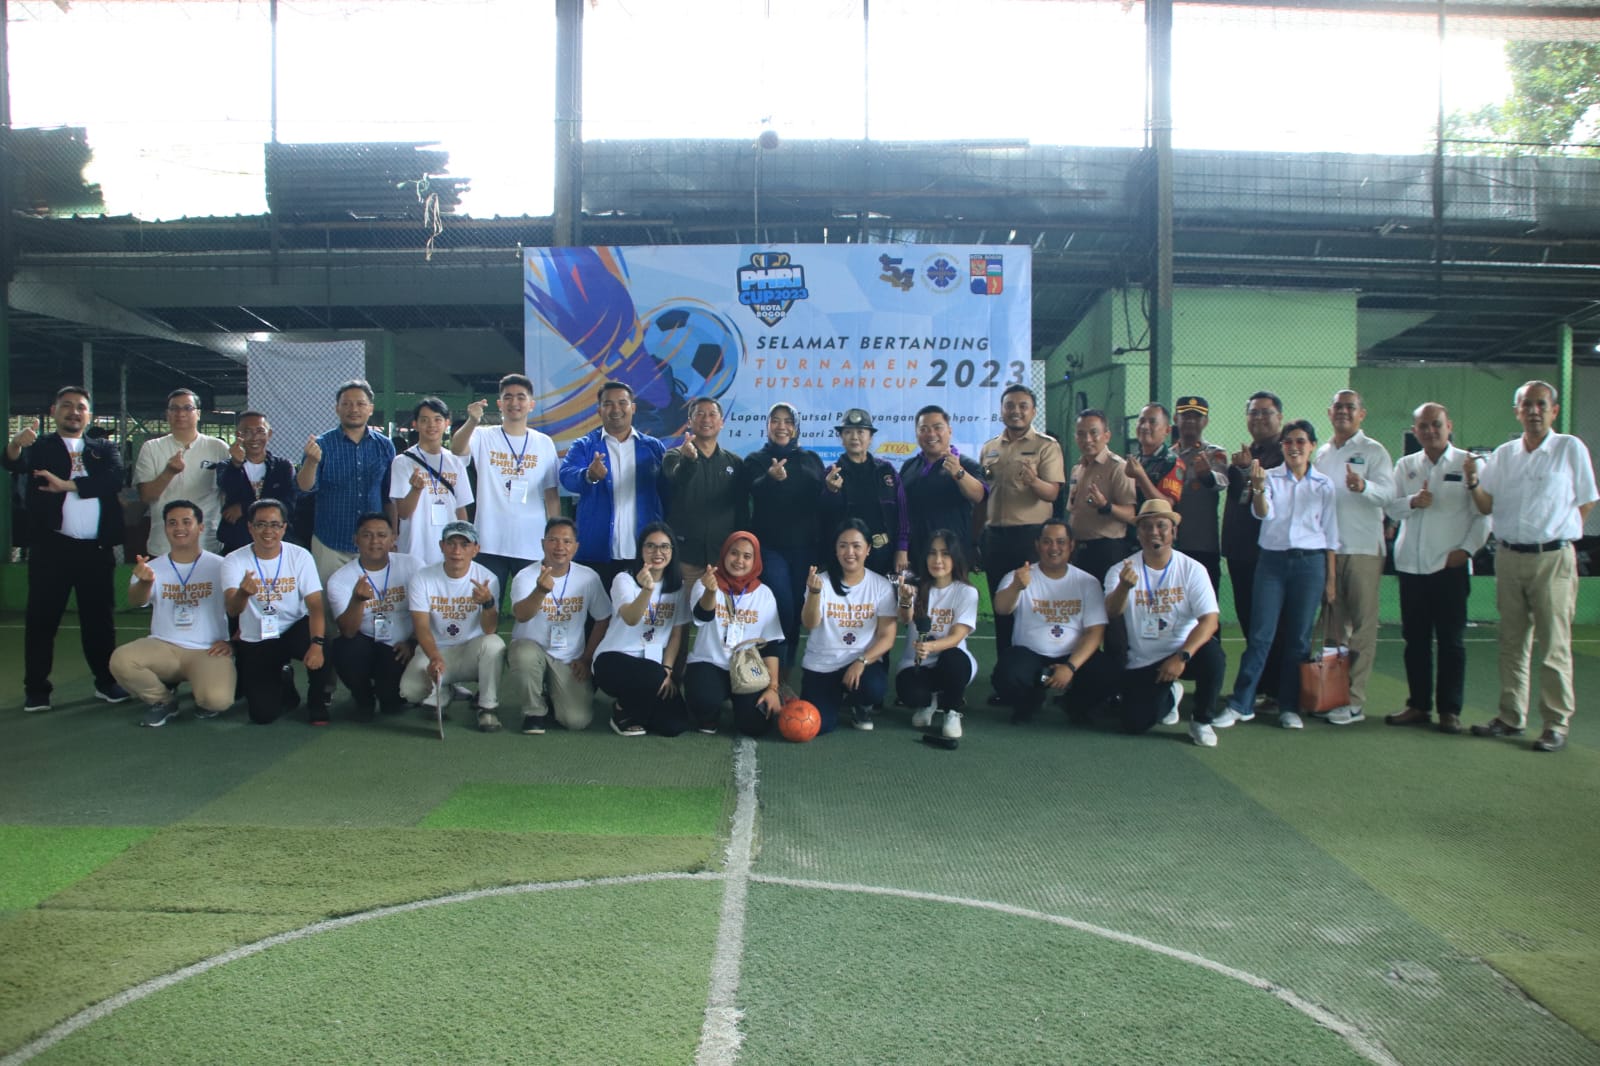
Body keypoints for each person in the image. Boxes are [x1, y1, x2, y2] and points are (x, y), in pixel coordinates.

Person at [1466, 380, 1597, 753]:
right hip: (1509, 558)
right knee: (1511, 643)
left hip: (1553, 559)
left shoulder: (1569, 448)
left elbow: (1587, 500)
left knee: (1554, 645)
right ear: (1517, 411)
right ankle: (1510, 717)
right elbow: (1486, 505)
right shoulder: (1505, 455)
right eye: (1526, 404)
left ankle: (1555, 723)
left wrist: (1560, 534)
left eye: (1541, 404)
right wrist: (1472, 482)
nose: (1533, 411)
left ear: (1554, 411)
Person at [3, 386, 129, 711]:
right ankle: (37, 690)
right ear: (54, 411)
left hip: (96, 551)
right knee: (42, 621)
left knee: (100, 622)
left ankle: (106, 682)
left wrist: (67, 485)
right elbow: (13, 463)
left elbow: (114, 480)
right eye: (67, 406)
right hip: (51, 550)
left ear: (89, 414)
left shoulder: (104, 448)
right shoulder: (39, 447)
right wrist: (15, 444)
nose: (74, 412)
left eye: (81, 407)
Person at [1214, 420, 1338, 731]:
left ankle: (1289, 706)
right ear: (1282, 446)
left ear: (1312, 446)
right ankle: (1241, 703)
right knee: (1260, 636)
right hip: (1271, 563)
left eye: (1300, 441)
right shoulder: (1268, 477)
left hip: (1310, 565)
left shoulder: (1324, 484)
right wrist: (1257, 487)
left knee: (1298, 639)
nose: (1294, 447)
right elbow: (1262, 512)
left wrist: (1331, 580)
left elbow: (1331, 535)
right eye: (1288, 442)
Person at [1383, 402, 1490, 735]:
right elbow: (1391, 508)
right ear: (1415, 431)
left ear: (1449, 426)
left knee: (1451, 641)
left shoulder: (1470, 464)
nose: (1430, 431)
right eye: (1423, 426)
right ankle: (1418, 705)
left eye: (1436, 424)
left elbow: (1484, 515)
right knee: (1414, 640)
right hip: (1411, 567)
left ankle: (1449, 710)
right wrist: (1413, 502)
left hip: (1449, 566)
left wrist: (1466, 551)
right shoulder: (1405, 465)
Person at [1103, 500, 1226, 747]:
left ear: (1173, 532)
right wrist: (1124, 587)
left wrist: (1182, 657)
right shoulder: (1120, 570)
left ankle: (1202, 721)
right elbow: (1112, 611)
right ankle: (1171, 695)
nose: (1154, 532)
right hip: (1144, 659)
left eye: (1161, 526)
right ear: (1138, 533)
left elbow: (1210, 621)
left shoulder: (1193, 569)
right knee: (1133, 724)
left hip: (1183, 653)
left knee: (1213, 656)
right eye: (1146, 527)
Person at [111, 499, 236, 727]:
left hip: (207, 649)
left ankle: (203, 691)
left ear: (200, 527)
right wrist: (145, 582)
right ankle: (163, 701)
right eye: (172, 523)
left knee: (216, 701)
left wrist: (233, 642)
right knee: (121, 660)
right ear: (165, 528)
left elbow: (241, 607)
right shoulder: (152, 567)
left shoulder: (222, 565)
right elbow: (136, 601)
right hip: (164, 646)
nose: (179, 528)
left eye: (187, 522)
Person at [1311, 389, 1395, 726]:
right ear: (1329, 412)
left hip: (1363, 550)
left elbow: (1389, 494)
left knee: (1361, 629)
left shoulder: (1374, 451)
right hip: (1329, 551)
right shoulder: (1322, 453)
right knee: (1333, 628)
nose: (1343, 412)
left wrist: (1365, 487)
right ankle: (1332, 697)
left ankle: (1354, 702)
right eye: (1338, 407)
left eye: (1350, 407)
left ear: (1362, 414)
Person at [976, 385, 1064, 680]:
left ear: (1033, 411)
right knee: (1002, 608)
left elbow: (1052, 493)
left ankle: (1036, 675)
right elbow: (983, 496)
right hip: (995, 538)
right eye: (1010, 405)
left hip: (1030, 539)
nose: (1016, 411)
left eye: (1023, 406)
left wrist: (1034, 481)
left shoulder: (1046, 446)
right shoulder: (989, 448)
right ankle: (1006, 677)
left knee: (1030, 609)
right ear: (1001, 410)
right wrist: (977, 539)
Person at [992, 520, 1113, 724]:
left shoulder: (1088, 582)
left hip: (1072, 656)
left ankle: (1074, 704)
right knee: (1007, 674)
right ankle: (1031, 702)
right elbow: (1001, 608)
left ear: (1071, 545)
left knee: (1106, 673)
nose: (1054, 548)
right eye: (1047, 542)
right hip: (1030, 654)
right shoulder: (1018, 576)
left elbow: (1095, 631)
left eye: (1061, 542)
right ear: (1037, 545)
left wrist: (1070, 667)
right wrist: (1016, 587)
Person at [222, 498, 331, 725]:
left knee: (324, 645)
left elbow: (315, 606)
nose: (268, 531)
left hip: (294, 627)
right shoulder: (234, 560)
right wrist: (243, 593)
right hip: (257, 635)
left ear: (283, 528)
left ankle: (317, 701)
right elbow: (232, 610)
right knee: (263, 715)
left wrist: (317, 645)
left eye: (274, 525)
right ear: (250, 527)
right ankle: (285, 681)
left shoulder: (300, 556)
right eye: (261, 524)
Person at [449, 374, 559, 593]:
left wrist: (554, 536)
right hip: (489, 541)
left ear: (531, 405)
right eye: (508, 397)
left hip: (531, 541)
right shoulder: (482, 436)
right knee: (486, 603)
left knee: (531, 604)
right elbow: (457, 449)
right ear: (500, 404)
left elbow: (551, 494)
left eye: (521, 397)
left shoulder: (544, 443)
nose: (514, 402)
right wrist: (472, 421)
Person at [399, 520, 506, 733]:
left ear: (476, 549)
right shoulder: (423, 578)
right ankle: (445, 689)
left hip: (471, 652)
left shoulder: (487, 579)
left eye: (465, 545)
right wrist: (434, 657)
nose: (457, 551)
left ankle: (487, 707)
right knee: (410, 691)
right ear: (442, 546)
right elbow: (421, 627)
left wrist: (487, 603)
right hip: (436, 651)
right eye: (451, 544)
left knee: (494, 644)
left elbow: (489, 630)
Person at [508, 517, 612, 734]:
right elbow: (521, 615)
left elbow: (603, 618)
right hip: (533, 650)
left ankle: (552, 696)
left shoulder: (588, 577)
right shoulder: (525, 576)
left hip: (568, 659)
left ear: (576, 547)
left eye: (567, 541)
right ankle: (534, 712)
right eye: (553, 540)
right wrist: (540, 592)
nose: (560, 547)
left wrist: (587, 658)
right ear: (542, 543)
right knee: (523, 653)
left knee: (577, 721)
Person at [559, 381, 667, 589]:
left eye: (622, 403)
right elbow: (566, 477)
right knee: (595, 610)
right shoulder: (584, 445)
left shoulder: (653, 447)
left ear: (633, 408)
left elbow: (668, 489)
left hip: (643, 552)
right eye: (608, 404)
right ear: (599, 410)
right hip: (596, 551)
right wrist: (588, 475)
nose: (616, 409)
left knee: (641, 608)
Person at [744, 401, 826, 672]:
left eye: (788, 421)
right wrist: (770, 478)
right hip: (770, 547)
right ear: (767, 425)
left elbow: (821, 498)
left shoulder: (811, 459)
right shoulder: (755, 460)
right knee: (782, 604)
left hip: (806, 549)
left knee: (800, 606)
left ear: (796, 427)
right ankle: (773, 666)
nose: (782, 426)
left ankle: (784, 668)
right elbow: (752, 490)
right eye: (775, 420)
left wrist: (832, 490)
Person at [591, 521, 691, 736]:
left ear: (672, 550)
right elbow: (631, 618)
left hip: (654, 667)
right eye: (650, 546)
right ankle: (621, 710)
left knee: (675, 725)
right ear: (641, 550)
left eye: (664, 546)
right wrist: (647, 590)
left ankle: (639, 710)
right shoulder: (624, 579)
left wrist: (668, 670)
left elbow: (676, 634)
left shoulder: (678, 587)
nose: (658, 552)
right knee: (651, 674)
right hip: (613, 660)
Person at [297, 379, 397, 594]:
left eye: (360, 404)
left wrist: (393, 535)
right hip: (330, 541)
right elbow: (304, 487)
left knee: (374, 602)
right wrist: (311, 462)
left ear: (371, 408)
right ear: (337, 408)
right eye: (347, 404)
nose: (354, 409)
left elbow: (389, 496)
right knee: (328, 602)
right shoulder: (321, 445)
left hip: (373, 544)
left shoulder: (384, 446)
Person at [800, 519, 899, 734]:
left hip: (860, 663)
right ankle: (834, 698)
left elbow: (887, 636)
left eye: (856, 546)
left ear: (868, 549)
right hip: (822, 664)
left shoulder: (881, 586)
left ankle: (859, 705)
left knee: (873, 687)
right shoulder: (820, 582)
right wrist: (814, 593)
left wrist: (861, 662)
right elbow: (809, 623)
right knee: (820, 725)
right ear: (835, 550)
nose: (849, 552)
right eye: (843, 546)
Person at [684, 531, 785, 736]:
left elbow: (771, 645)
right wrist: (711, 591)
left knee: (756, 726)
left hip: (748, 668)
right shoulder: (706, 583)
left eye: (747, 556)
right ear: (724, 554)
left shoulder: (764, 594)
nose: (739, 560)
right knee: (704, 705)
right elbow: (703, 616)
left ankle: (741, 706)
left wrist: (773, 688)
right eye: (734, 553)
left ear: (755, 561)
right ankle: (712, 710)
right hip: (709, 662)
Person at [1222, 391, 1287, 707]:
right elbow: (1241, 499)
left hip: (1268, 554)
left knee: (1270, 626)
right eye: (1253, 412)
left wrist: (1249, 471)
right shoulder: (1246, 455)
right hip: (1240, 552)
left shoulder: (1284, 455)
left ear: (1279, 417)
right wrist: (1243, 470)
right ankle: (1263, 687)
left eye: (1265, 412)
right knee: (1250, 620)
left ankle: (1278, 690)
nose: (1259, 418)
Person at [325, 512, 420, 719]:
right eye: (367, 535)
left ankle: (390, 694)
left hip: (401, 647)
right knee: (344, 648)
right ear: (355, 540)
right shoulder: (340, 579)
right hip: (366, 643)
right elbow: (348, 632)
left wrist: (413, 643)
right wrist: (357, 600)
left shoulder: (413, 566)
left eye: (382, 535)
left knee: (391, 704)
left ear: (393, 539)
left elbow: (428, 613)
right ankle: (363, 697)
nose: (375, 541)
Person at [894, 529, 979, 740]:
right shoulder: (914, 585)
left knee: (953, 658)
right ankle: (930, 702)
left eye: (945, 554)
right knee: (911, 694)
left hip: (952, 662)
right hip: (917, 664)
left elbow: (957, 636)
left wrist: (930, 647)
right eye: (932, 553)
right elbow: (905, 618)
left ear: (955, 557)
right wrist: (905, 600)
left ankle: (952, 710)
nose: (938, 560)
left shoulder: (966, 592)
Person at [134, 388, 231, 555]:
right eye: (174, 408)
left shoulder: (218, 447)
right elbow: (146, 496)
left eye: (188, 408)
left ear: (198, 413)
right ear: (167, 414)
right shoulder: (151, 448)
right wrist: (169, 472)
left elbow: (228, 491)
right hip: (164, 544)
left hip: (207, 543)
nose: (181, 413)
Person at [662, 396, 748, 584]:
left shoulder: (735, 462)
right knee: (686, 603)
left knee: (723, 604)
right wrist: (689, 461)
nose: (706, 419)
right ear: (689, 422)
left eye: (712, 414)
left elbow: (741, 509)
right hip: (685, 558)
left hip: (724, 559)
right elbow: (677, 477)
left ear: (721, 422)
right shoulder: (673, 456)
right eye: (700, 414)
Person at [819, 408, 909, 577]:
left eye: (860, 432)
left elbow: (902, 513)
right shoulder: (831, 474)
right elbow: (823, 518)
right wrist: (831, 491)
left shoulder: (886, 471)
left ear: (870, 437)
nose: (854, 437)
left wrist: (902, 548)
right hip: (848, 557)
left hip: (886, 555)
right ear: (841, 438)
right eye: (848, 432)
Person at [899, 404, 988, 564]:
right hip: (915, 554)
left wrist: (958, 472)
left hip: (953, 555)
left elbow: (979, 495)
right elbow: (901, 510)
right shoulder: (909, 466)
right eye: (924, 429)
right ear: (917, 433)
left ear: (949, 430)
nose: (931, 434)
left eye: (937, 427)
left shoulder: (966, 464)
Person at [392, 397, 473, 566]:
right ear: (415, 424)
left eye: (437, 419)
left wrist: (465, 542)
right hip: (414, 549)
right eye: (424, 420)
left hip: (450, 550)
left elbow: (461, 508)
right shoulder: (402, 462)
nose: (431, 425)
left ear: (446, 423)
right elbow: (403, 513)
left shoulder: (455, 462)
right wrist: (415, 490)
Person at [1066, 409, 1136, 582]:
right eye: (1081, 434)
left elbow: (1131, 514)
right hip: (1079, 549)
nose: (1087, 439)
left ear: (1107, 436)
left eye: (1093, 433)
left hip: (1107, 550)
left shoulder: (1118, 467)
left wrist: (1106, 506)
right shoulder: (1077, 469)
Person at [216, 411, 298, 554]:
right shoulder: (226, 466)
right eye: (247, 432)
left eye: (260, 431)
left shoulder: (283, 466)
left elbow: (286, 504)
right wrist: (236, 465)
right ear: (238, 435)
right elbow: (228, 488)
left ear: (269, 434)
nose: (254, 438)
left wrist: (244, 507)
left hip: (275, 541)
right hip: (237, 541)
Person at [1171, 396, 1229, 594]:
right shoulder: (1168, 456)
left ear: (1206, 421)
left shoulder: (1214, 454)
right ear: (1175, 419)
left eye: (1197, 417)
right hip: (1172, 544)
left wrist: (1207, 476)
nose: (1190, 421)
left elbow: (1221, 481)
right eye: (1185, 416)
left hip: (1203, 545)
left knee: (1206, 601)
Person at [1124, 403, 1186, 517]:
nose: (1144, 426)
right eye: (1141, 421)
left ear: (1167, 430)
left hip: (1156, 525)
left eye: (1152, 422)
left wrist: (1141, 476)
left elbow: (1167, 505)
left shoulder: (1172, 462)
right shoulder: (1136, 459)